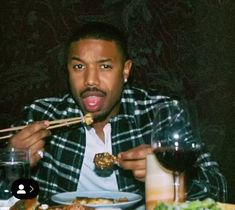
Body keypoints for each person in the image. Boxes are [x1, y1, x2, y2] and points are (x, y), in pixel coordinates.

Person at [9, 21, 227, 204]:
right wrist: (12, 164)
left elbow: (219, 188)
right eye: (79, 67)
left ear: (125, 71)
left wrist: (167, 176)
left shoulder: (160, 113)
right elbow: (13, 197)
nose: (90, 80)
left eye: (104, 66)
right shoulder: (41, 116)